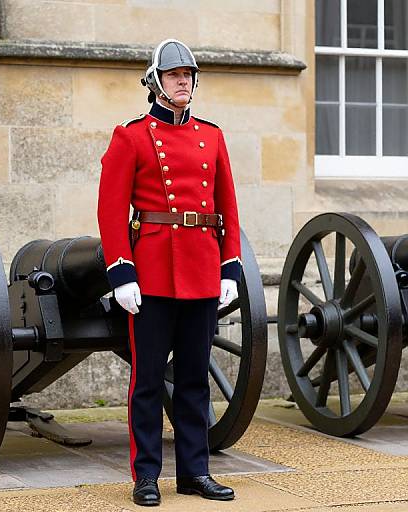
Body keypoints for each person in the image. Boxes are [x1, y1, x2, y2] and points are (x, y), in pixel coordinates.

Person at [97, 39, 242, 506]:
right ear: (156, 82)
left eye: (189, 75)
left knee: (196, 379)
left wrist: (228, 267)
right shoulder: (132, 136)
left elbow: (228, 208)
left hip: (201, 270)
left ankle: (195, 473)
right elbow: (111, 209)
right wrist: (122, 272)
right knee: (149, 381)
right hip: (153, 273)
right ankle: (146, 477)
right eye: (174, 74)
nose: (183, 81)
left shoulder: (213, 136)